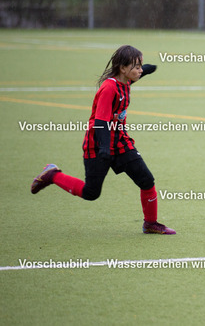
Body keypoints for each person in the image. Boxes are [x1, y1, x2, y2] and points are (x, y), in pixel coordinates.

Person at [30, 45, 176, 234]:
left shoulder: (125, 81)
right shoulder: (109, 88)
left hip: (120, 142)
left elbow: (134, 78)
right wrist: (105, 148)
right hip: (98, 144)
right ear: (123, 69)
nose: (140, 70)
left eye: (141, 66)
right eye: (137, 67)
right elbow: (100, 122)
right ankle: (52, 175)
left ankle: (150, 224)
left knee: (146, 180)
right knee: (91, 193)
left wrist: (146, 70)